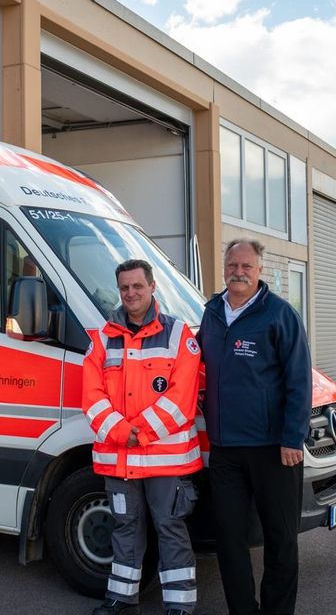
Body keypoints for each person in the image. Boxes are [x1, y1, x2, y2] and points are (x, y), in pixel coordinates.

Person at [197, 239, 311, 615]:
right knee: (230, 540)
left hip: (273, 449)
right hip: (225, 450)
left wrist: (292, 437)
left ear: (260, 270)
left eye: (246, 266)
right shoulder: (211, 312)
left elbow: (299, 381)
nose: (238, 272)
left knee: (280, 539)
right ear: (224, 267)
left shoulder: (280, 315)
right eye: (232, 265)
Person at [82, 259, 203, 615]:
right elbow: (91, 397)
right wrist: (123, 433)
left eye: (137, 286)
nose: (131, 293)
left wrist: (140, 434)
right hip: (119, 459)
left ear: (152, 287)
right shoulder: (102, 338)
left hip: (165, 463)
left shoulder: (179, 335)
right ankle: (121, 599)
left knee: (170, 529)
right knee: (124, 529)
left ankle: (179, 607)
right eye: (124, 288)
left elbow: (181, 400)